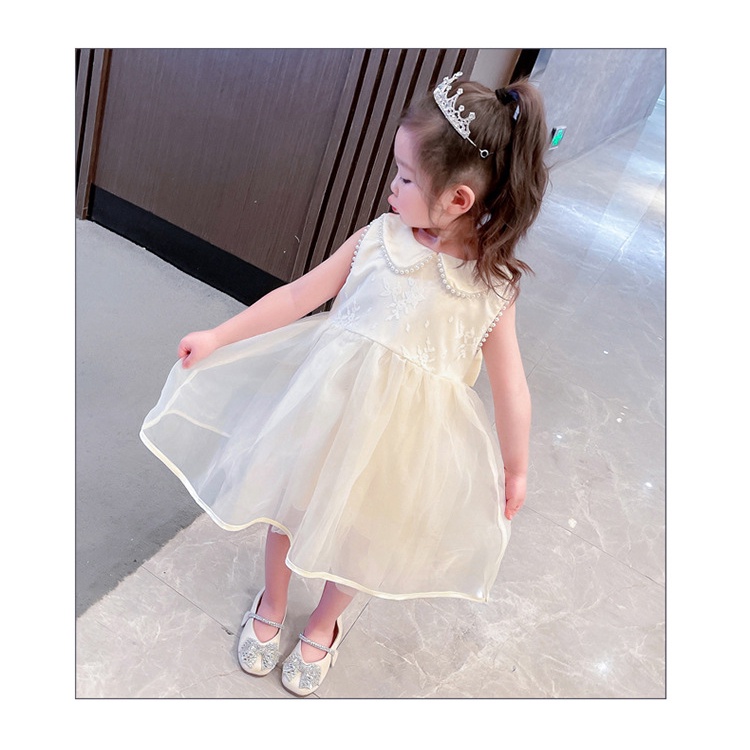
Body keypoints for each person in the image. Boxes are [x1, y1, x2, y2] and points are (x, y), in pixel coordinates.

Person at [140, 71, 549, 696]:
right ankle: (273, 602)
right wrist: (221, 336)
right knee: (289, 507)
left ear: (458, 199)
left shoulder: (491, 290)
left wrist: (516, 468)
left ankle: (324, 623)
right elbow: (299, 296)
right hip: (325, 410)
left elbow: (512, 385)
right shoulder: (377, 241)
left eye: (406, 178)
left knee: (363, 535)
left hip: (399, 442)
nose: (392, 187)